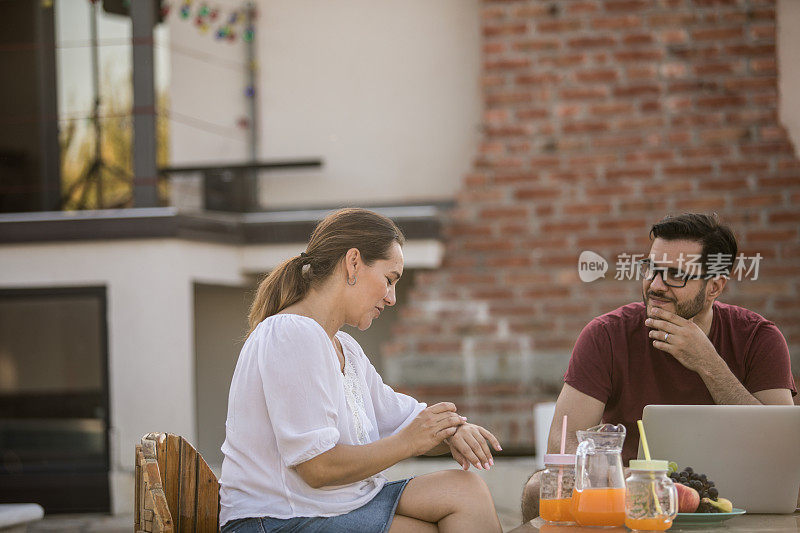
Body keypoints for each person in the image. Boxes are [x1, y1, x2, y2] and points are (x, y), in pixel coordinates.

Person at [219, 208, 503, 533]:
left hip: (336, 506)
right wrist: (411, 442)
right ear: (353, 263)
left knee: (466, 490)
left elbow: (404, 419)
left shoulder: (346, 349)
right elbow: (318, 467)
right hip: (276, 519)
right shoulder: (291, 333)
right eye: (389, 280)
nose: (392, 297)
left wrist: (453, 430)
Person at [521, 213, 796, 522]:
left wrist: (709, 364)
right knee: (539, 487)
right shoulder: (606, 335)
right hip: (631, 496)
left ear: (715, 286)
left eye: (676, 275)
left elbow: (780, 451)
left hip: (736, 501)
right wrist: (621, 478)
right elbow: (565, 446)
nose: (656, 285)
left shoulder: (759, 338)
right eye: (651, 269)